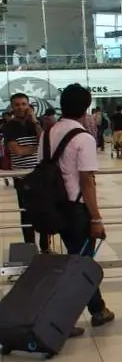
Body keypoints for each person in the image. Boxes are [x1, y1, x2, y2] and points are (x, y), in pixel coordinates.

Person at [40, 83, 114, 329]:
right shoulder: (83, 137)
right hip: (77, 211)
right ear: (85, 108)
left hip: (55, 207)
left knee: (77, 262)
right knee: (79, 266)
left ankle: (98, 309)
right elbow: (87, 181)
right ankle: (60, 319)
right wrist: (96, 218)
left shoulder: (47, 134)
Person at [3, 92, 49, 252]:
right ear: (12, 107)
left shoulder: (37, 123)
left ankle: (45, 248)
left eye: (24, 104)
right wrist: (37, 149)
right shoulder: (8, 126)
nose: (21, 107)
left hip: (41, 176)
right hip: (22, 178)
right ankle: (30, 249)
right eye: (17, 105)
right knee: (26, 214)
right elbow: (17, 150)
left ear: (29, 105)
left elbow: (45, 140)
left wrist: (35, 121)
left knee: (44, 211)